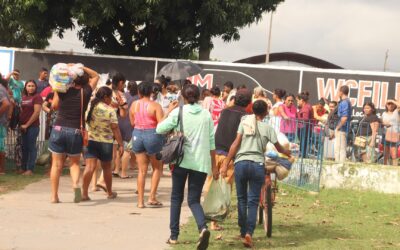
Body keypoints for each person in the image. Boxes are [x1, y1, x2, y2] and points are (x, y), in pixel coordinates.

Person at [220, 100, 290, 248]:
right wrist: (287, 152)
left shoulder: (244, 123)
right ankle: (248, 234)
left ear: (252, 110)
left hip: (241, 163)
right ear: (265, 113)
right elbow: (279, 148)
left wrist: (226, 163)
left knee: (241, 199)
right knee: (252, 201)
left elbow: (235, 144)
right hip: (257, 165)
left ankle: (242, 229)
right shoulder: (268, 128)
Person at [156, 84, 217, 249]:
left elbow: (159, 128)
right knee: (194, 200)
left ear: (182, 96)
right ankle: (202, 228)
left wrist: (168, 111)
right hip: (201, 163)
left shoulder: (178, 112)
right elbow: (212, 143)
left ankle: (174, 236)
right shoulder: (206, 115)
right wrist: (215, 166)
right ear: (199, 96)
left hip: (181, 161)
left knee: (176, 198)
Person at [49, 65, 99, 203]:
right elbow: (96, 75)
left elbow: (54, 106)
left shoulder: (62, 89)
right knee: (74, 163)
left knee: (56, 165)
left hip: (59, 128)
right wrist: (81, 66)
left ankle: (54, 196)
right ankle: (75, 184)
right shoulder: (87, 91)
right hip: (76, 131)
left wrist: (57, 89)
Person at [205, 89, 252, 231]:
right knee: (224, 186)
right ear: (249, 102)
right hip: (229, 155)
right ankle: (214, 221)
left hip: (215, 151)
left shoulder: (225, 111)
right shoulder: (246, 116)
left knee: (211, 183)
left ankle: (206, 215)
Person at [81, 86, 124, 201]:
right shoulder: (110, 110)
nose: (111, 100)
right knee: (107, 168)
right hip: (105, 142)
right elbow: (115, 129)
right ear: (105, 97)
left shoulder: (90, 106)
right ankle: (109, 192)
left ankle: (84, 193)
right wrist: (121, 144)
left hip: (90, 140)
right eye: (110, 97)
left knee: (90, 167)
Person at [129, 82, 164, 208]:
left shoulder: (134, 105)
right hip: (152, 134)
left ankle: (140, 202)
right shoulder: (155, 105)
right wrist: (170, 110)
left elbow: (132, 123)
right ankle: (152, 197)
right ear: (151, 92)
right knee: (157, 168)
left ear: (139, 92)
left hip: (137, 134)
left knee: (141, 171)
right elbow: (161, 125)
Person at [113, 81, 139, 178]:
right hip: (131, 124)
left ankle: (116, 169)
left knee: (119, 147)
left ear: (127, 87)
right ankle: (123, 173)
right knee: (127, 150)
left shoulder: (122, 95)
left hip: (120, 122)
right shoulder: (138, 98)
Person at [19, 80, 43, 175]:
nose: (31, 88)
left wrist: (27, 125)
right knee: (24, 147)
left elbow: (36, 113)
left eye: (33, 86)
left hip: (32, 126)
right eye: (29, 86)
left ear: (36, 87)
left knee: (31, 147)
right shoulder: (24, 97)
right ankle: (23, 168)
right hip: (23, 126)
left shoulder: (37, 97)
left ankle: (30, 169)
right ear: (25, 87)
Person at [334, 86, 352, 163]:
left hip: (342, 129)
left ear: (341, 92)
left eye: (338, 91)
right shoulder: (346, 102)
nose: (338, 93)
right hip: (342, 128)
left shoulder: (345, 102)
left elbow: (344, 118)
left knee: (340, 149)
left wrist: (338, 127)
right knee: (339, 149)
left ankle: (340, 166)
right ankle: (339, 164)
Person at [382, 99, 400, 166]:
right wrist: (384, 124)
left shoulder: (396, 111)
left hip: (394, 135)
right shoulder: (384, 113)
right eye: (388, 104)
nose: (390, 105)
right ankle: (384, 167)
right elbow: (382, 122)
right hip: (385, 134)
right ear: (386, 105)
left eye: (392, 103)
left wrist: (392, 101)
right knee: (385, 154)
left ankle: (395, 169)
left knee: (394, 154)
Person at [296, 91, 313, 158]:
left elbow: (305, 119)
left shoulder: (306, 108)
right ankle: (302, 156)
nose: (297, 102)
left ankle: (302, 157)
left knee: (303, 143)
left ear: (302, 100)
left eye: (298, 101)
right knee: (303, 143)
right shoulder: (307, 107)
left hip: (304, 128)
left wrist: (296, 119)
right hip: (304, 128)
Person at [0, 78, 11, 175]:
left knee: (0, 147)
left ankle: (2, 170)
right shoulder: (3, 88)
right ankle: (2, 170)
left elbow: (6, 104)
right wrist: (8, 116)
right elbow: (11, 103)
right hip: (2, 122)